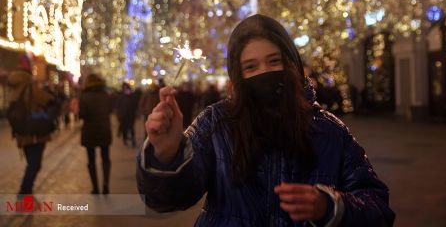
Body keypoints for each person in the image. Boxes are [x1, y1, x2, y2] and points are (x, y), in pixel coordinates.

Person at [136, 14, 395, 226]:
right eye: (251, 67)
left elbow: (377, 208)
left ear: (293, 65)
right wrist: (167, 154)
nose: (264, 73)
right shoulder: (216, 123)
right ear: (238, 76)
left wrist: (329, 206)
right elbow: (168, 199)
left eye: (274, 61)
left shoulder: (329, 130)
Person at [8, 54, 55, 195]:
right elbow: (48, 99)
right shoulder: (30, 86)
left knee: (32, 163)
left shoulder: (14, 88)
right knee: (35, 164)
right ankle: (25, 189)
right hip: (34, 131)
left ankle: (26, 189)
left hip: (21, 132)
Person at [79, 73, 112, 194]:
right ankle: (106, 185)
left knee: (91, 160)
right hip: (104, 129)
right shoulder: (105, 95)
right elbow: (110, 109)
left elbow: (81, 114)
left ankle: (96, 187)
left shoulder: (84, 96)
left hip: (90, 131)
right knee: (106, 158)